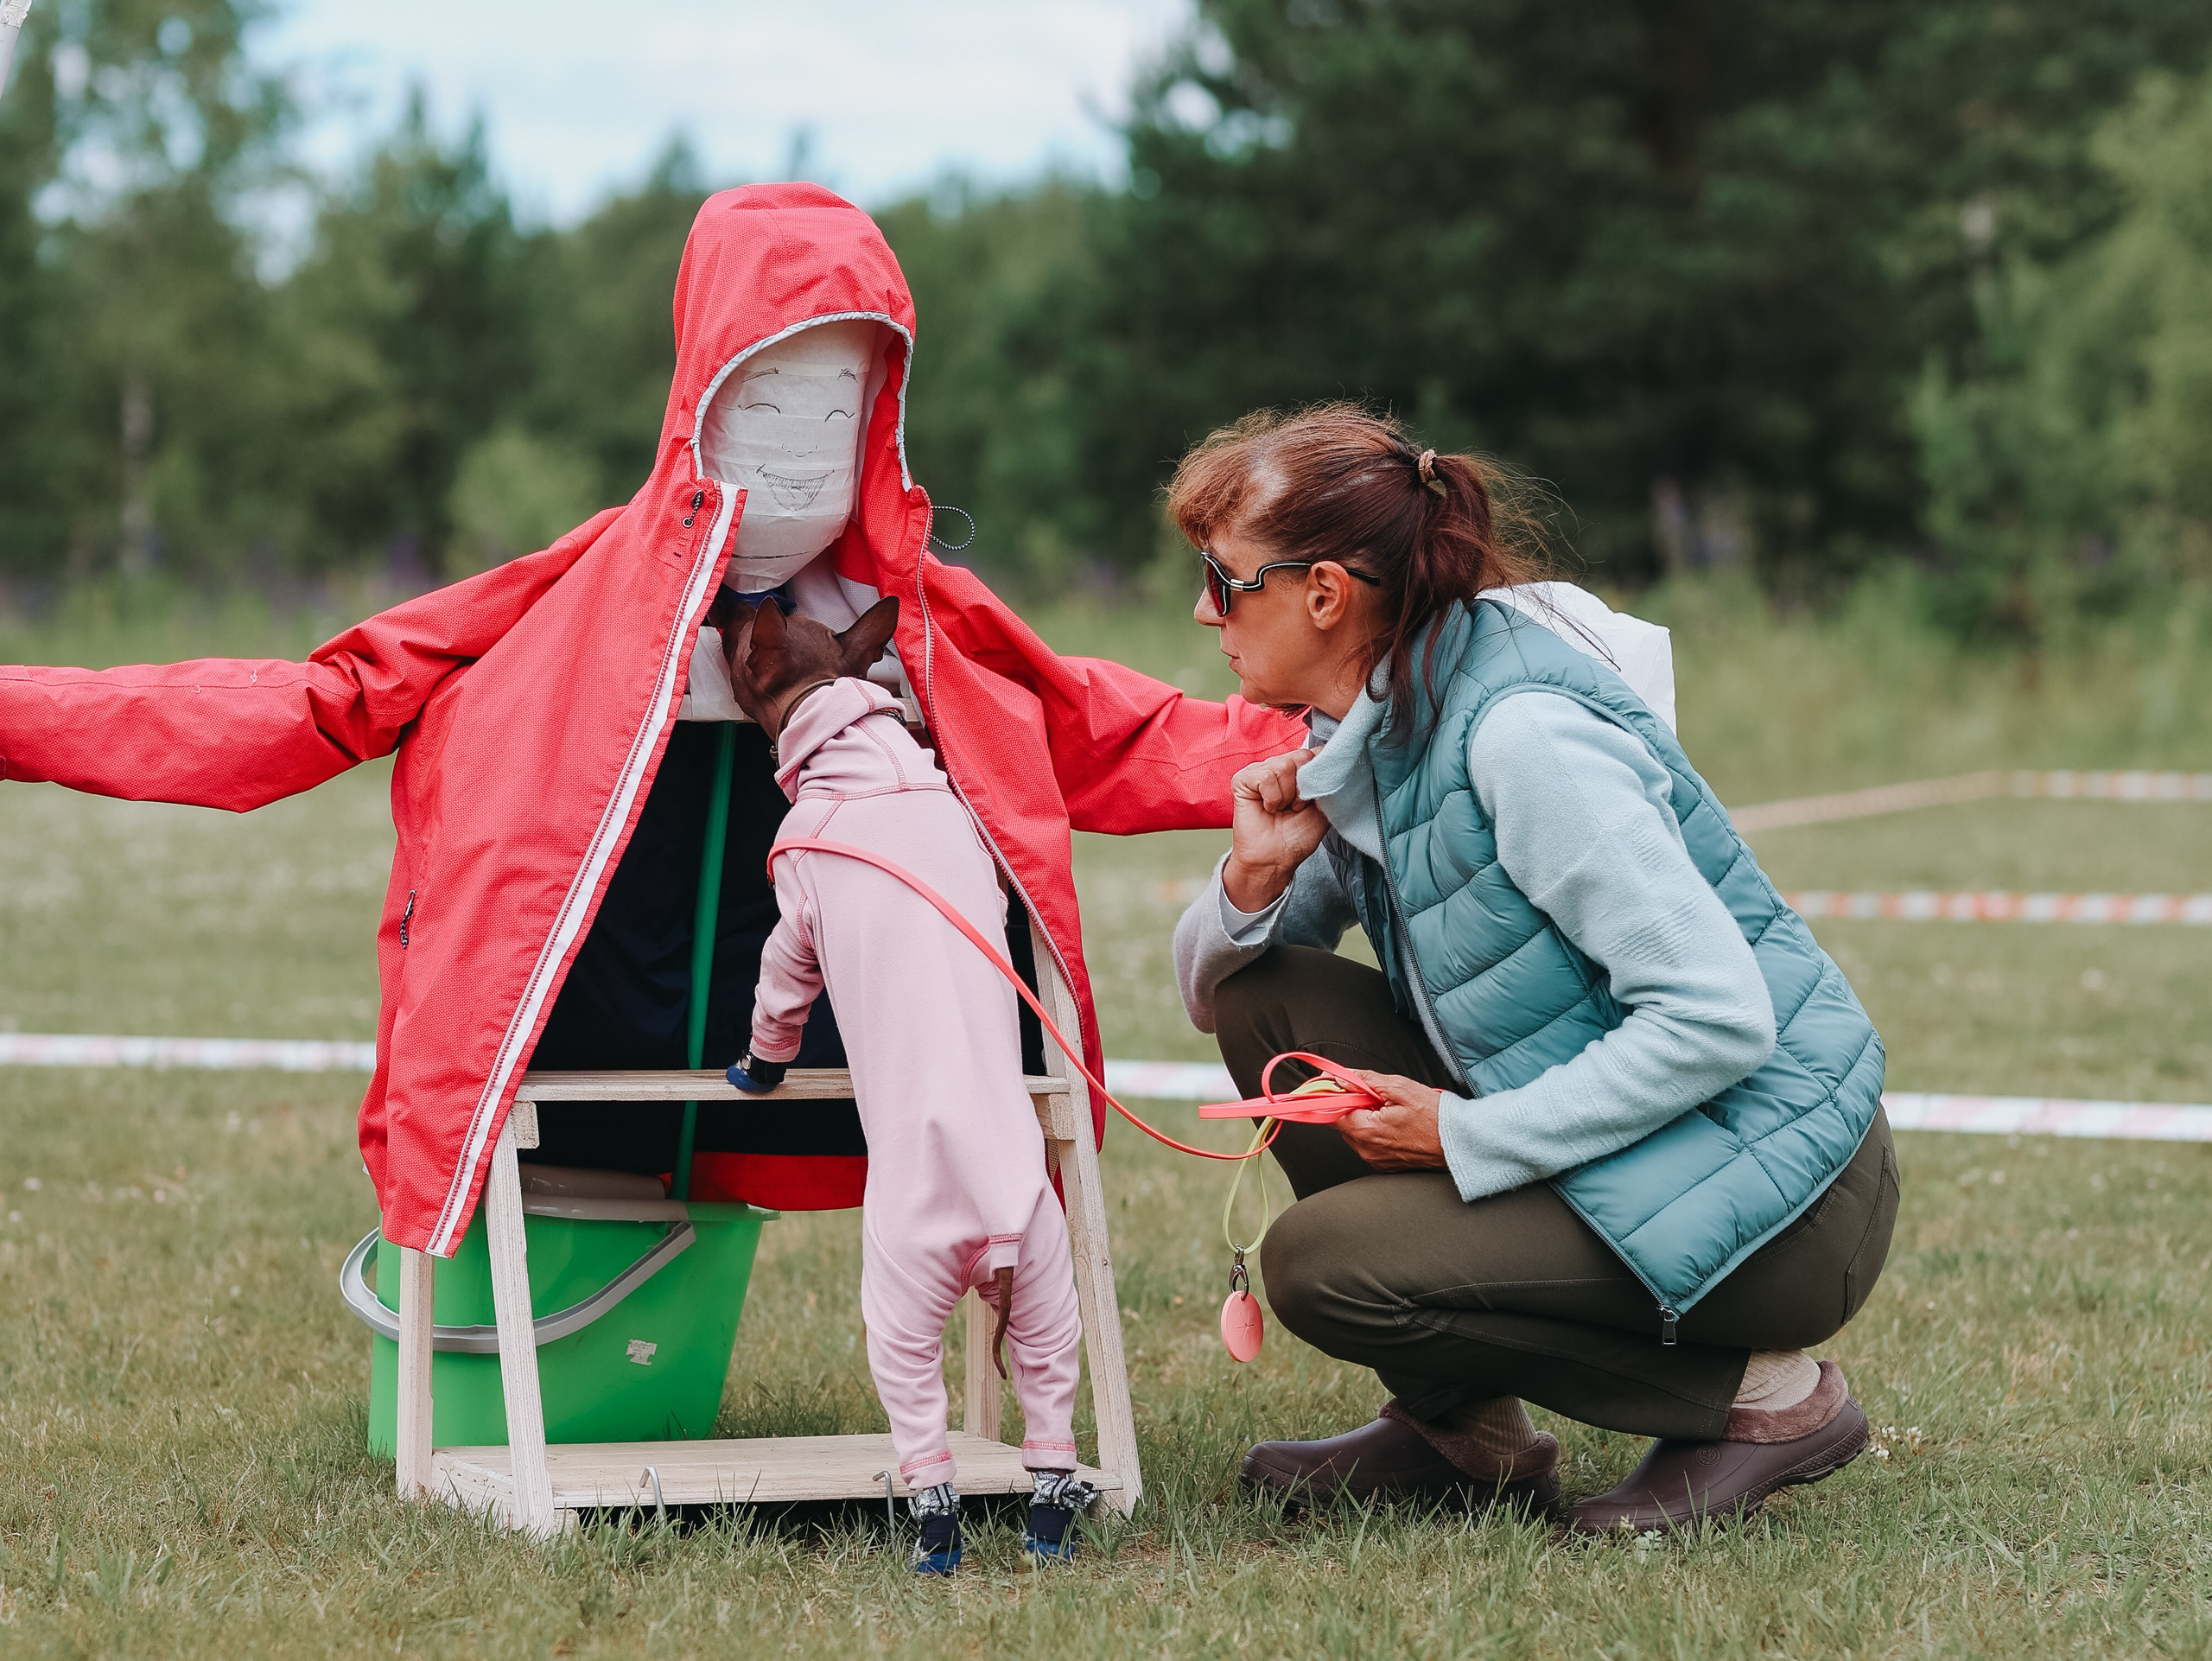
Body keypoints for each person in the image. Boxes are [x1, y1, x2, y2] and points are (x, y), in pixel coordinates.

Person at [1169, 404, 1899, 1531]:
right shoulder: (1361, 729)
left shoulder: (1521, 736)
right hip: (1645, 1145)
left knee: (1322, 1265)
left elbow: (1716, 1021)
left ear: (1324, 595)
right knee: (1272, 999)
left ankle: (1769, 1400)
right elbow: (1212, 993)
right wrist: (1252, 883)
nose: (1202, 611)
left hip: (1787, 1195)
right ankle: (1464, 1436)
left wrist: (1464, 1140)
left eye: (1224, 583)